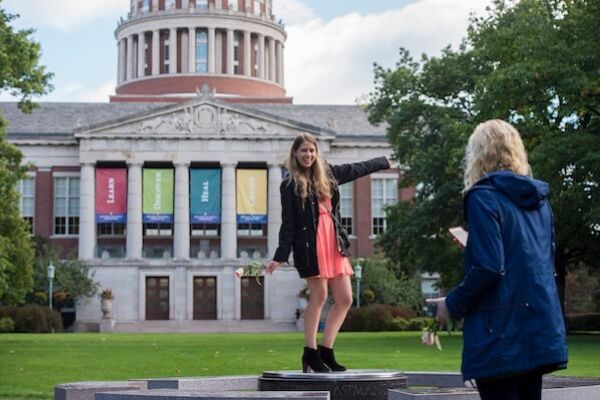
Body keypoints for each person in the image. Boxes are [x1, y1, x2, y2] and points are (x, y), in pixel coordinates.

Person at [427, 120, 568, 400]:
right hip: (538, 326)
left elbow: (489, 267)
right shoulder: (539, 203)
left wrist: (451, 304)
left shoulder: (483, 198)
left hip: (500, 333)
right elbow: (535, 260)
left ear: (478, 154)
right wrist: (475, 244)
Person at [266, 132, 391, 373]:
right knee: (320, 295)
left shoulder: (329, 174)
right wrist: (280, 256)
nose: (308, 155)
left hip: (333, 242)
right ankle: (310, 352)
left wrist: (384, 162)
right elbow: (288, 223)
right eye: (303, 151)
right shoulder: (289, 184)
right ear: (295, 153)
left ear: (316, 153)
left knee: (345, 298)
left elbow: (357, 168)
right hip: (310, 246)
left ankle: (326, 351)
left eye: (311, 151)